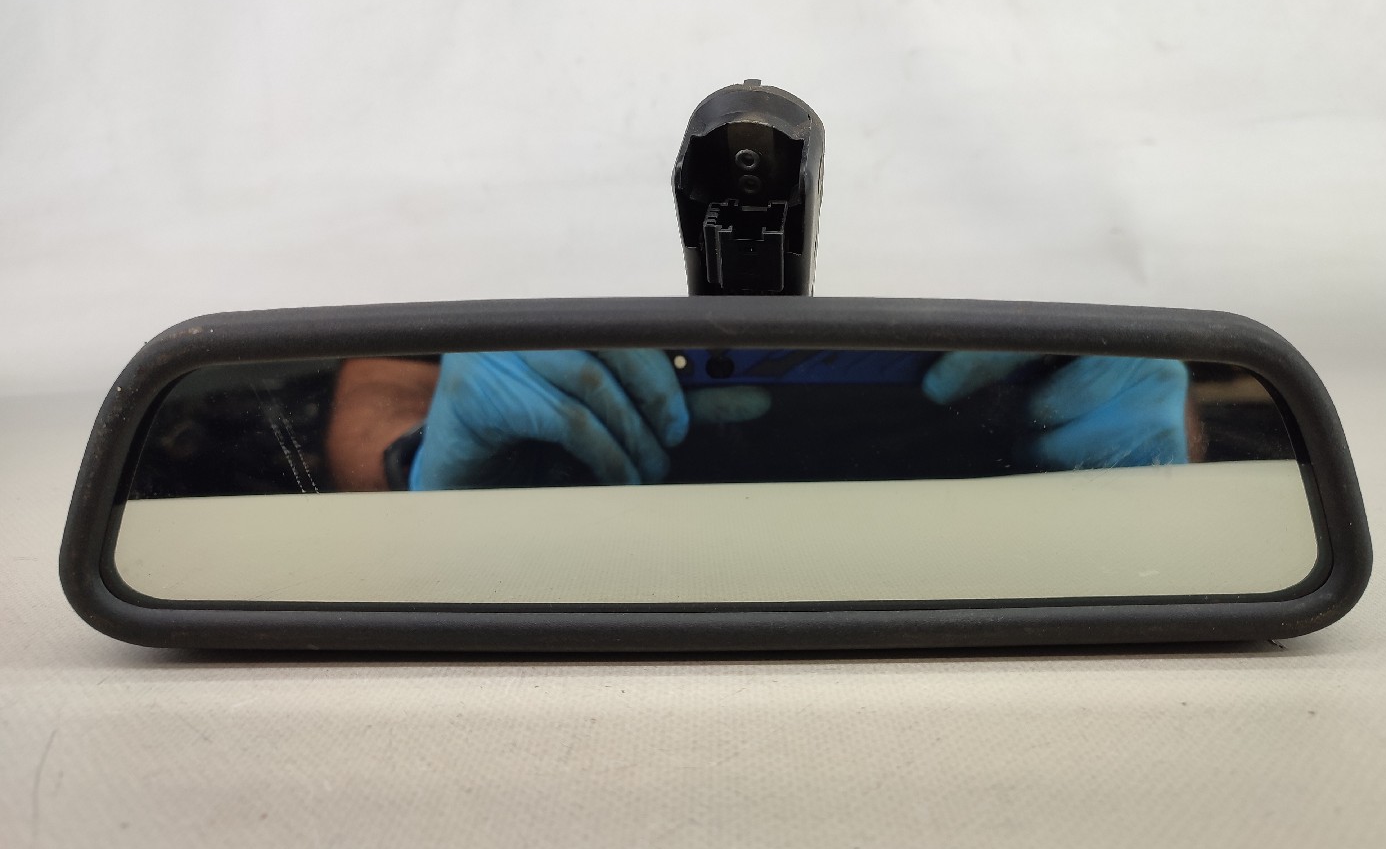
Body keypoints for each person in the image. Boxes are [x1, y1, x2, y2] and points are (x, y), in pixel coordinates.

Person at [325, 349, 1191, 492]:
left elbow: (1175, 392)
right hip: (572, 532)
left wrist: (1168, 437)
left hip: (987, 520)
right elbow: (378, 374)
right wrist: (417, 460)